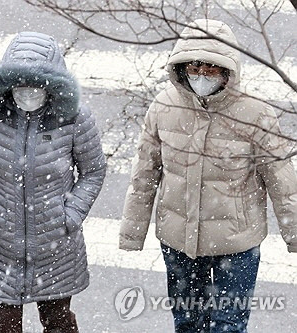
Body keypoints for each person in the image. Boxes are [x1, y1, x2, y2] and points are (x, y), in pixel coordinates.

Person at [119, 19, 297, 333]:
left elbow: (282, 180)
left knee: (228, 325)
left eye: (211, 69)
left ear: (228, 70)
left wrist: (294, 232)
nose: (201, 76)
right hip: (178, 239)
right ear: (181, 68)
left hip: (237, 242)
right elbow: (144, 175)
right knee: (188, 323)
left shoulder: (256, 114)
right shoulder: (163, 107)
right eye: (194, 68)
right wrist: (132, 232)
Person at [0, 31, 106, 333]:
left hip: (55, 247)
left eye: (36, 85)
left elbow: (93, 171)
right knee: (2, 326)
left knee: (58, 323)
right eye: (20, 85)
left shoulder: (74, 117)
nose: (27, 92)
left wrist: (70, 215)